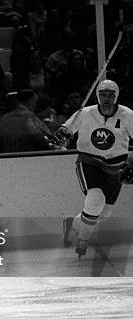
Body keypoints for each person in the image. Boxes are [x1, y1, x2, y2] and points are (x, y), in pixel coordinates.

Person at [56, 80, 133, 258]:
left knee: (104, 213)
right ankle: (83, 240)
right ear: (98, 95)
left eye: (111, 95)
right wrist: (62, 134)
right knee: (95, 199)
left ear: (116, 96)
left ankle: (72, 224)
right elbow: (65, 130)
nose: (107, 99)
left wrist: (131, 163)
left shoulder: (128, 115)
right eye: (103, 95)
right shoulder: (85, 113)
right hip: (89, 161)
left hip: (116, 165)